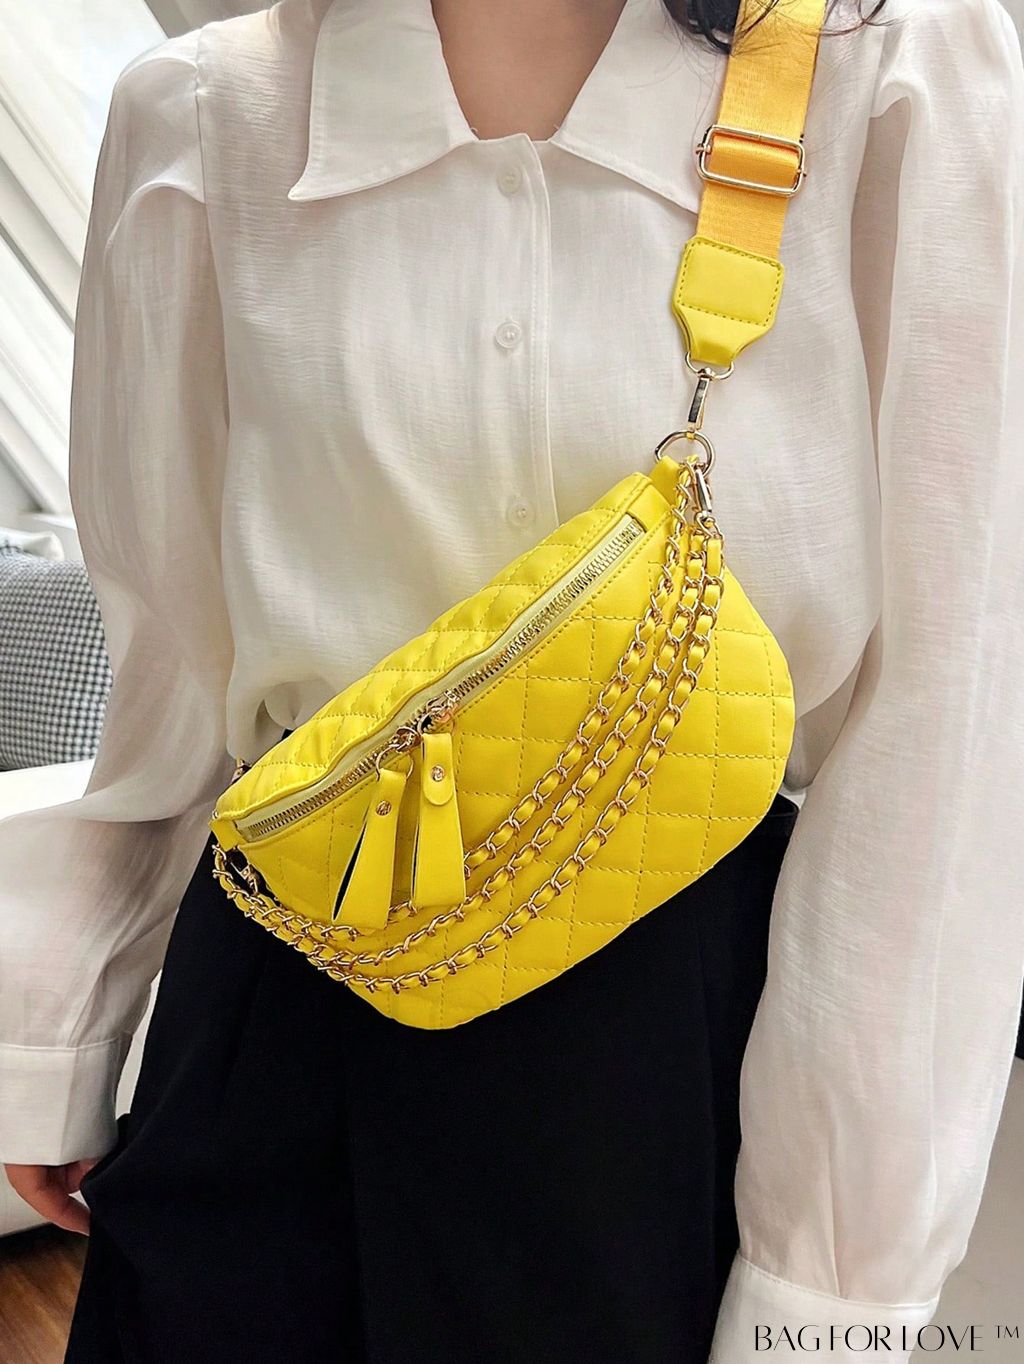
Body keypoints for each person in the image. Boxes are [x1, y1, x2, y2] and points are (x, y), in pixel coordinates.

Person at [1, 0, 1023, 1359]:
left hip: (669, 1025)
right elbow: (173, 660)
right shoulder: (201, 111)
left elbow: (947, 718)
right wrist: (59, 1033)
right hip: (281, 985)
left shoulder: (894, 70)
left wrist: (832, 1280)